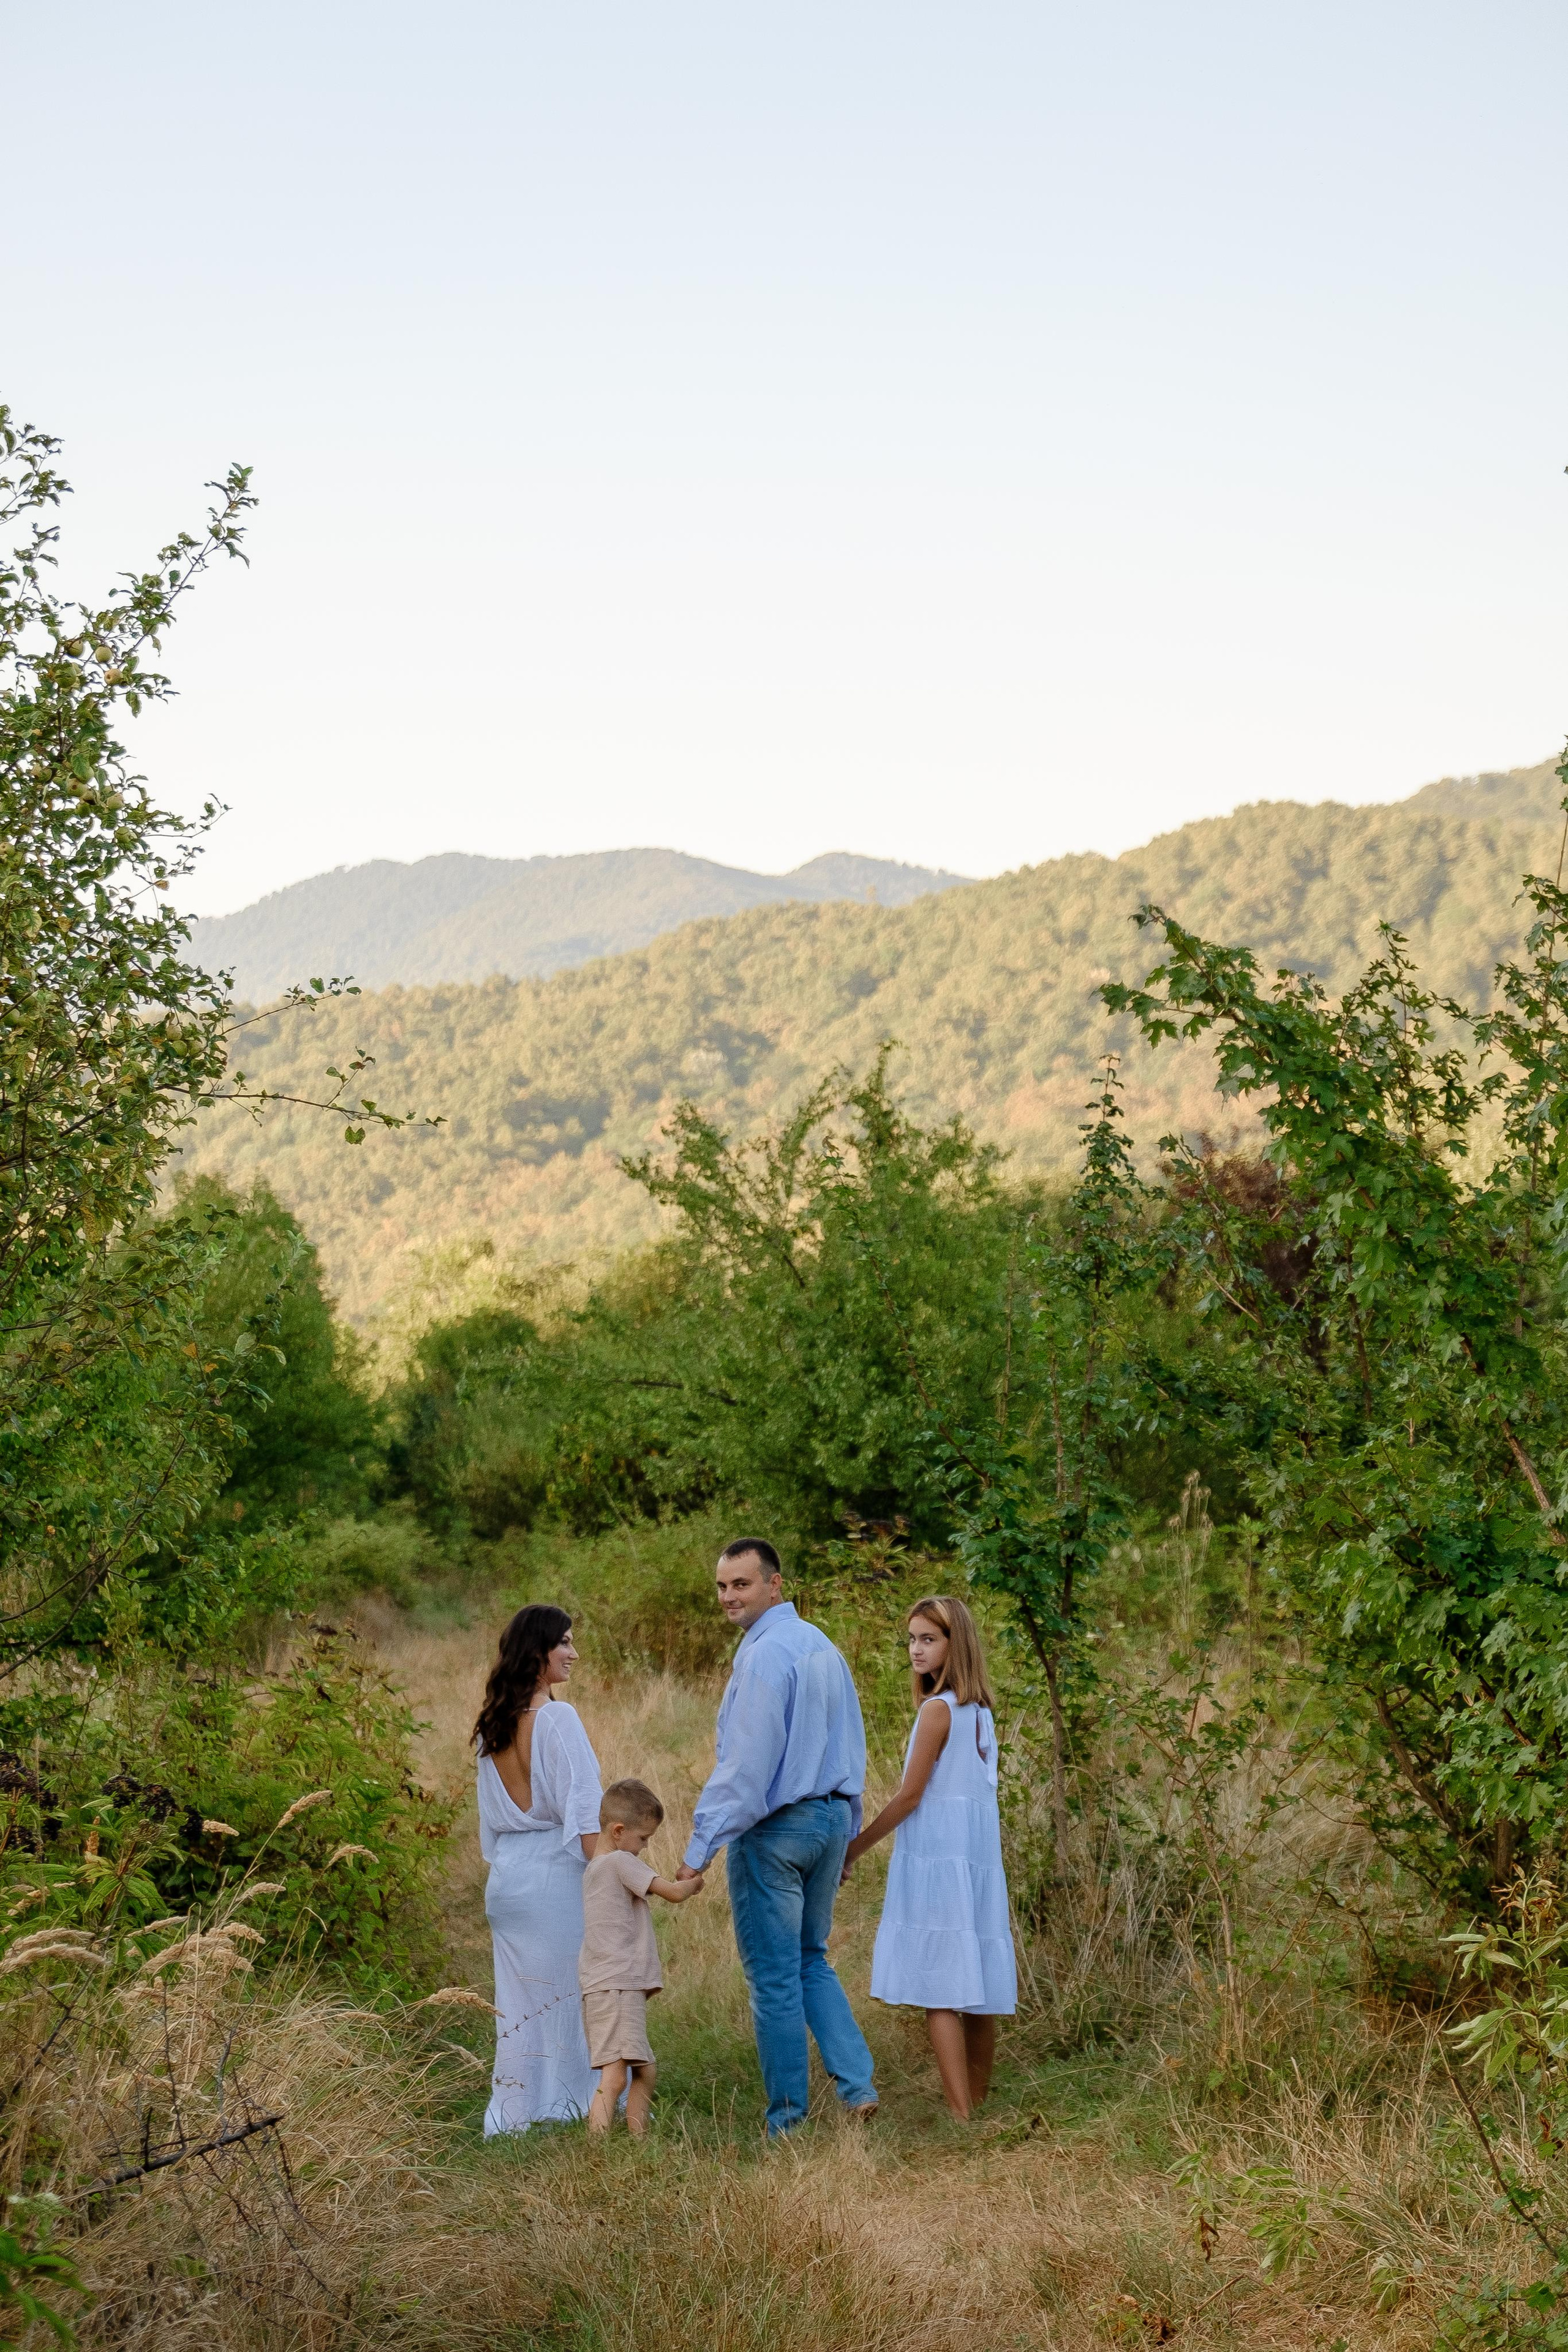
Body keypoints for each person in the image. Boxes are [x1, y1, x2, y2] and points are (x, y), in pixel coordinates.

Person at [676, 1537, 877, 2136]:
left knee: (774, 1976)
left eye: (741, 1584)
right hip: (828, 1821)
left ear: (774, 1585)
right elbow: (851, 1743)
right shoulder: (820, 1644)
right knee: (811, 1958)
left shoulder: (764, 1657)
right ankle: (858, 2086)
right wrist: (847, 1829)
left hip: (777, 1832)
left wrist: (697, 1852)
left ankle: (786, 2123)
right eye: (721, 1586)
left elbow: (746, 1770)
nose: (729, 1596)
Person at [843, 1594, 1016, 2119]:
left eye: (928, 1639)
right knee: (979, 1981)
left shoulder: (939, 1711)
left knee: (943, 1989)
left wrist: (853, 1848)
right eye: (912, 1640)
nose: (916, 1651)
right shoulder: (980, 1710)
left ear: (953, 1643)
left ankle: (962, 2115)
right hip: (975, 1858)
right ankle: (976, 2107)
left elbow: (910, 1796)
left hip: (942, 1858)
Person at [473, 1603, 605, 2134]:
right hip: (553, 1871)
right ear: (538, 1653)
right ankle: (568, 2104)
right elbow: (584, 1805)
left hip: (508, 1876)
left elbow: (491, 1816)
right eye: (565, 1643)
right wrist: (613, 1878)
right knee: (570, 1992)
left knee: (519, 2001)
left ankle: (513, 2113)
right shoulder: (557, 1717)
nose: (574, 1653)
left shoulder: (493, 1725)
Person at [580, 1777, 704, 2137]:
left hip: (609, 1986)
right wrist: (696, 1879)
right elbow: (673, 1893)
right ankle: (596, 2149)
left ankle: (639, 2140)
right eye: (644, 1838)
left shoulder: (595, 1869)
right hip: (616, 1985)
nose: (644, 1847)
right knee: (616, 2074)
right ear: (619, 1831)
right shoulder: (619, 1861)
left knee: (644, 2071)